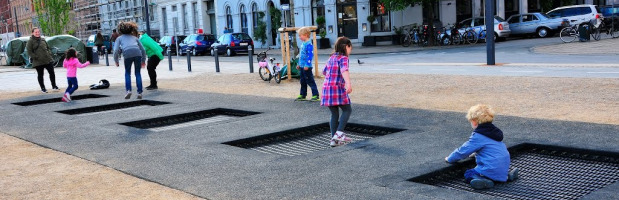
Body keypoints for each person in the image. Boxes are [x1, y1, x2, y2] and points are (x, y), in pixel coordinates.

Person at [445, 104, 518, 190]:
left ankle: (485, 181)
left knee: (468, 173)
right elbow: (489, 148)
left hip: (490, 170)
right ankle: (507, 176)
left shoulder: (478, 136)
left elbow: (463, 151)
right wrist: (475, 153)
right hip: (503, 168)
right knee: (496, 168)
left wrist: (450, 158)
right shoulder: (494, 133)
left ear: (474, 121)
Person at [321, 37, 353, 147]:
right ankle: (339, 134)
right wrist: (348, 83)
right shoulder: (343, 58)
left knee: (334, 113)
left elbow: (324, 72)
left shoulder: (331, 58)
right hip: (337, 88)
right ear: (346, 46)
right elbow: (344, 70)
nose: (350, 51)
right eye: (350, 48)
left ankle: (333, 139)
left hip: (327, 88)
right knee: (347, 109)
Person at [113, 21, 146, 100]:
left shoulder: (119, 38)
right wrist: (143, 60)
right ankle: (139, 92)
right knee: (137, 73)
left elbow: (116, 50)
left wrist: (116, 60)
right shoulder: (135, 38)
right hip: (137, 53)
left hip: (127, 54)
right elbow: (143, 49)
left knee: (127, 73)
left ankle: (128, 90)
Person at [26, 27, 58, 93]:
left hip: (47, 59)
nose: (37, 33)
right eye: (36, 32)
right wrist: (35, 57)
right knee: (40, 75)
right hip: (38, 61)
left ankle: (54, 86)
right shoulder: (30, 41)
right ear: (32, 33)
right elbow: (29, 51)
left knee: (52, 72)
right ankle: (43, 88)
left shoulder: (43, 39)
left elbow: (48, 48)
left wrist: (49, 54)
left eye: (38, 32)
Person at [295, 27, 319, 102]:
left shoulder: (309, 44)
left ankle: (315, 95)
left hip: (306, 67)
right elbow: (301, 56)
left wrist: (307, 65)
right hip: (302, 66)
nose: (299, 37)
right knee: (302, 81)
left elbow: (310, 55)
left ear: (305, 35)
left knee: (310, 80)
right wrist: (299, 64)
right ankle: (303, 94)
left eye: (300, 35)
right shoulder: (303, 44)